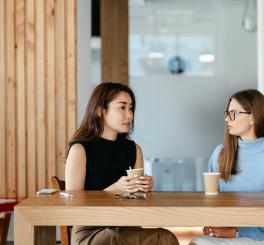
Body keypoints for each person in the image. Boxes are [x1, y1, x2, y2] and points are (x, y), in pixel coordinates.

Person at [65, 82, 179, 245]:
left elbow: (139, 201)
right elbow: (73, 203)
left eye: (131, 108)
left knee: (165, 237)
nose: (129, 115)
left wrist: (144, 188)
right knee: (113, 238)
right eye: (122, 108)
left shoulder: (134, 150)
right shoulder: (80, 150)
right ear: (100, 111)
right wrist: (114, 190)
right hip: (90, 230)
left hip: (125, 225)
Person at [190, 89, 264, 245]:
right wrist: (212, 225)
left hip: (261, 238)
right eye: (227, 113)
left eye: (233, 114)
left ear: (253, 118)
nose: (226, 119)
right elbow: (211, 201)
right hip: (224, 234)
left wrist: (235, 231)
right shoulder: (219, 154)